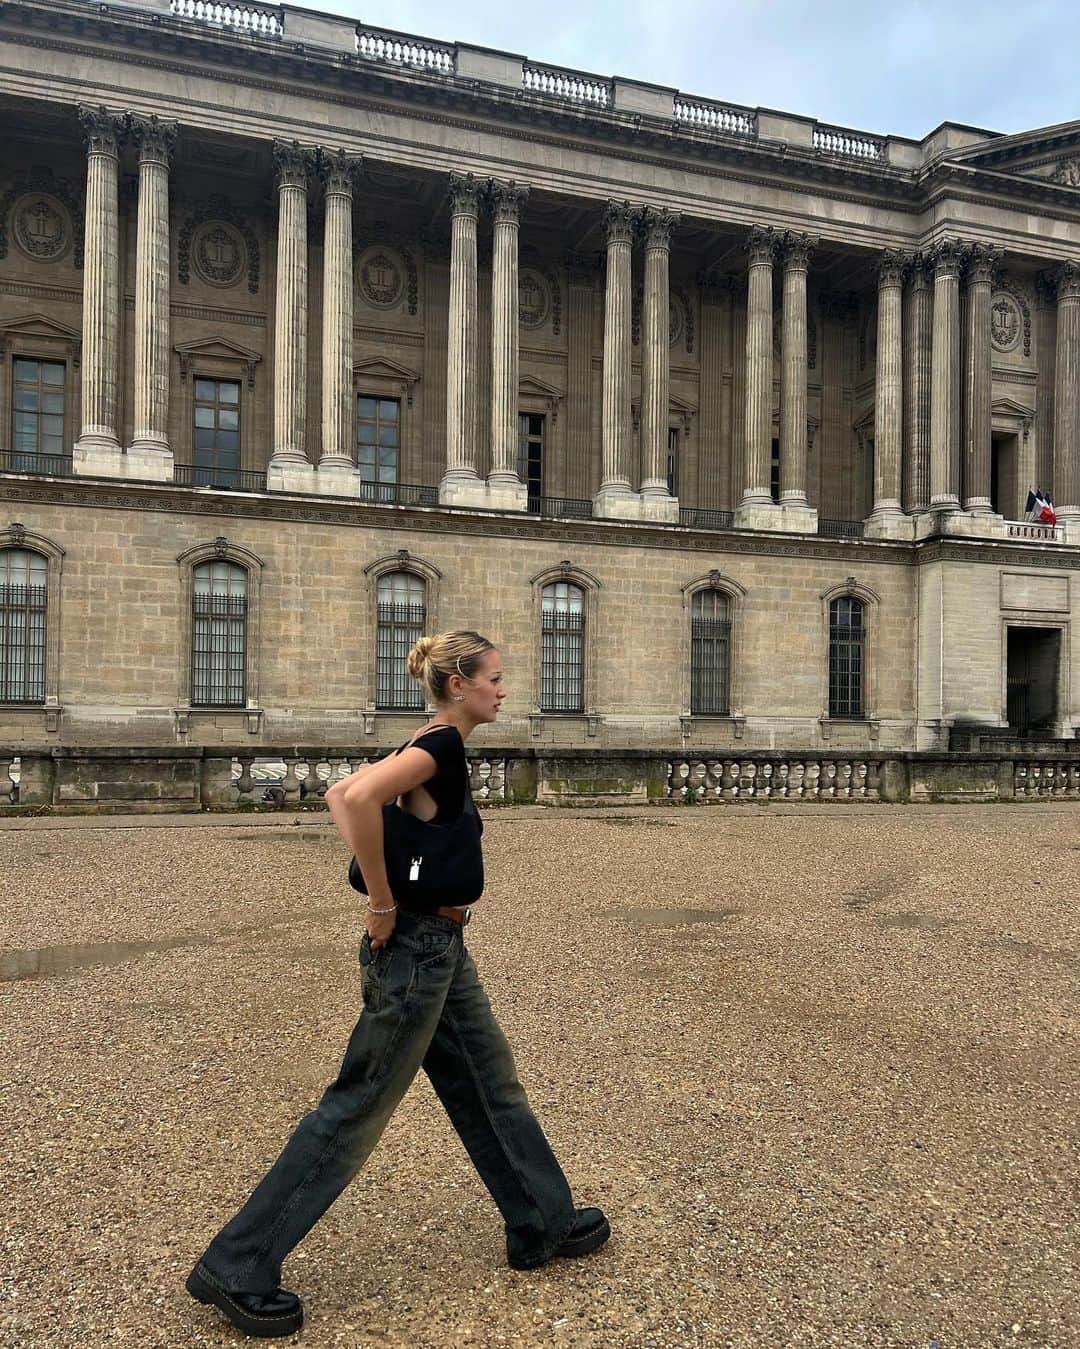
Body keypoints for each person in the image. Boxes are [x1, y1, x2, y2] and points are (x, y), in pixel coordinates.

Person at [185, 629, 610, 1338]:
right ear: (457, 685)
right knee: (356, 1107)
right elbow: (346, 796)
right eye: (494, 678)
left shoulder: (433, 741)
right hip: (415, 948)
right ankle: (239, 1260)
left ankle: (542, 1217)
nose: (503, 690)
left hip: (440, 945)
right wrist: (381, 899)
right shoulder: (439, 745)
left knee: (489, 1080)